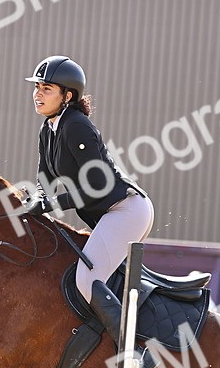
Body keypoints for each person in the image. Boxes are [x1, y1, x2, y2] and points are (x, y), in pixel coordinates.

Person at [23, 55, 155, 344]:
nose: (37, 94)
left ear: (67, 96)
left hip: (126, 210)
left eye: (47, 88)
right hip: (112, 214)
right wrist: (37, 199)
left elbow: (97, 186)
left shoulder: (76, 126)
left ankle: (133, 351)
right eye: (37, 87)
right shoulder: (49, 129)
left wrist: (51, 205)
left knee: (86, 280)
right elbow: (45, 179)